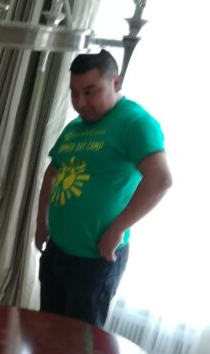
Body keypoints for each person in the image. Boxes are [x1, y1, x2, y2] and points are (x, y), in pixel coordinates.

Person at [35, 49, 172, 327]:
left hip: (94, 259)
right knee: (47, 332)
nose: (80, 102)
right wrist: (42, 221)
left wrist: (117, 228)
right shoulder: (76, 128)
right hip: (58, 250)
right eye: (74, 93)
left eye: (90, 91)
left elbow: (160, 180)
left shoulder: (134, 123)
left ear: (115, 83)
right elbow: (52, 174)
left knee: (79, 344)